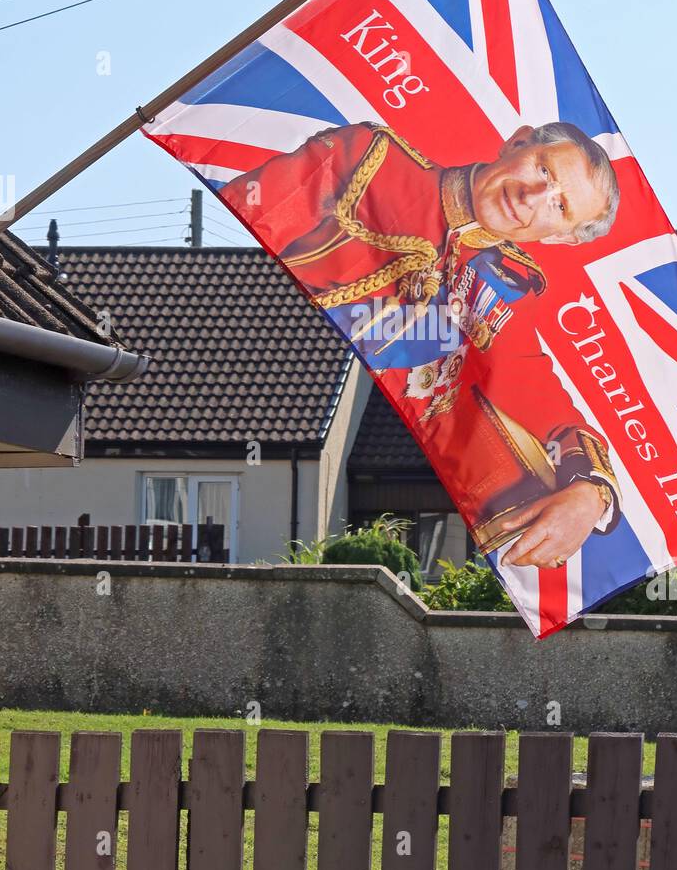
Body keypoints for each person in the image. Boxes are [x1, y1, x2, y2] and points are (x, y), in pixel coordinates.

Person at [223, 119, 623, 570]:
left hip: (337, 425)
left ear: (559, 237)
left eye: (560, 206)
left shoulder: (507, 288)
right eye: (545, 170)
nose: (532, 196)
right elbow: (252, 228)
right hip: (250, 379)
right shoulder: (371, 158)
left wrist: (591, 493)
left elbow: (539, 397)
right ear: (517, 142)